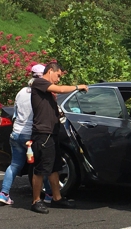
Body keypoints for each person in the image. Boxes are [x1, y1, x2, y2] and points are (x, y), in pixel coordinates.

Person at [30, 62, 88, 214]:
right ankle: (36, 200)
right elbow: (61, 89)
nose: (58, 79)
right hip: (43, 134)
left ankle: (57, 198)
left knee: (55, 167)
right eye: (58, 75)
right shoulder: (39, 82)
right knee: (41, 168)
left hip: (53, 133)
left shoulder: (47, 92)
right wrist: (78, 86)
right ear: (50, 71)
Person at [0, 64, 52, 205]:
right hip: (32, 135)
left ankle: (4, 194)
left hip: (16, 134)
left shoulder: (21, 92)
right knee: (41, 165)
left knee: (15, 165)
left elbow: (15, 113)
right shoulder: (41, 93)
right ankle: (49, 195)